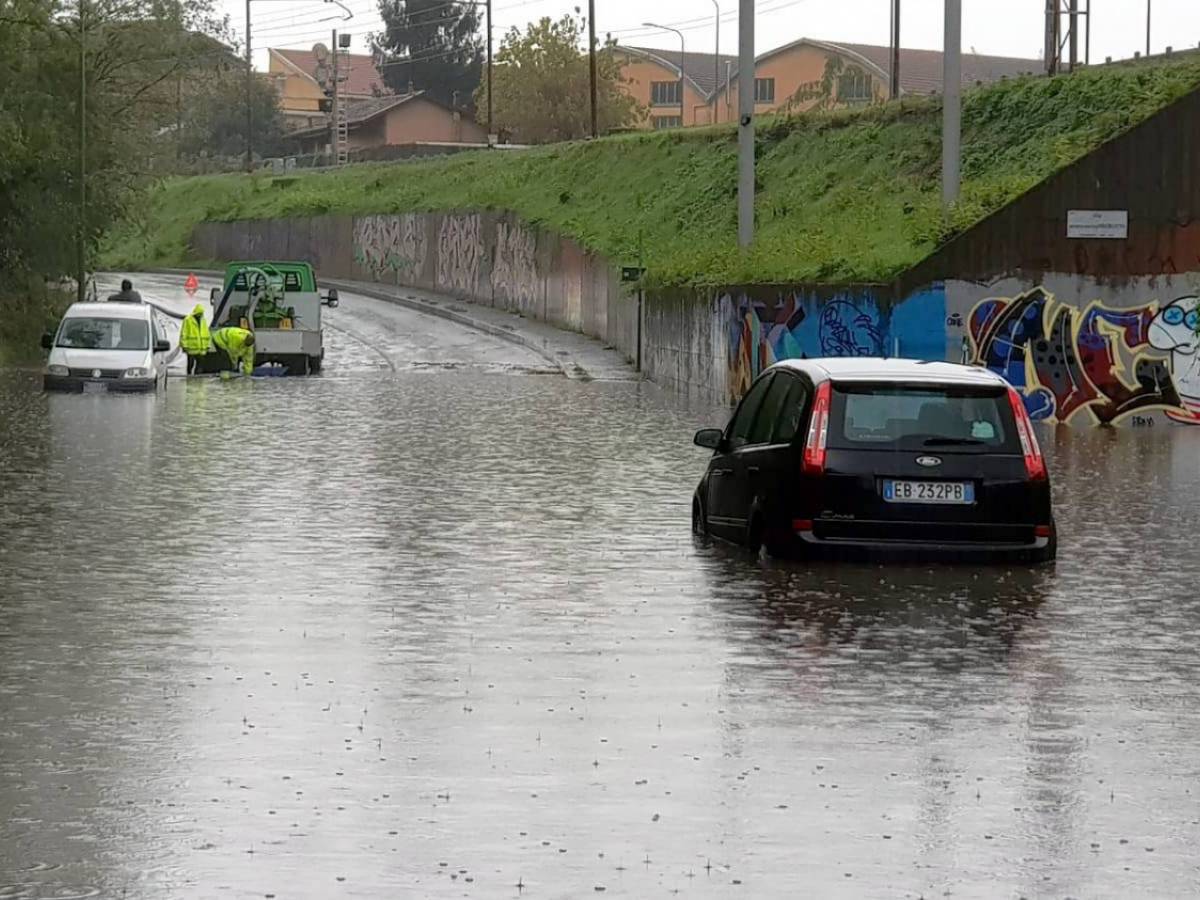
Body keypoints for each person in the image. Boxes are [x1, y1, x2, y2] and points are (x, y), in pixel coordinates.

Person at [179, 304, 211, 374]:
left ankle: (197, 377)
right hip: (191, 347)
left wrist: (208, 345)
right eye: (199, 313)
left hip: (201, 347)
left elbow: (206, 332)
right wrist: (184, 345)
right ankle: (189, 374)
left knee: (200, 364)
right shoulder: (188, 319)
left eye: (201, 313)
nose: (200, 315)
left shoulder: (203, 320)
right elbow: (184, 332)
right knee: (191, 363)